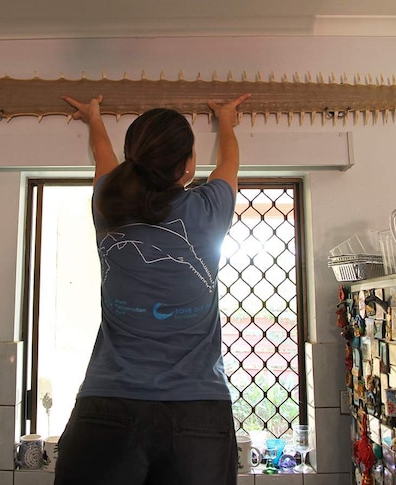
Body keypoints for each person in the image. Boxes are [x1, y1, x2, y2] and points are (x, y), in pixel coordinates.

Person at [55, 92, 251, 485]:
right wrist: (226, 120)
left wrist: (94, 117)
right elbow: (230, 162)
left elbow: (102, 155)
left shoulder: (107, 206)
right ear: (188, 164)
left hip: (107, 405)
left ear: (134, 159)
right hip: (197, 411)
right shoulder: (208, 210)